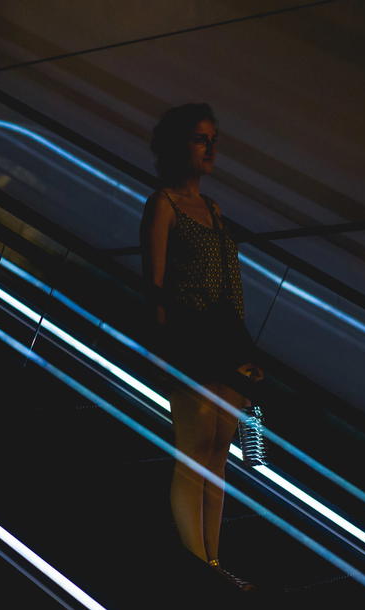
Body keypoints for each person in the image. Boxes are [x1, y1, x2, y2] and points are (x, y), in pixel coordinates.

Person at [139, 103, 264, 591]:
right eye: (199, 138)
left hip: (225, 341)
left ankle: (213, 564)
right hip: (188, 339)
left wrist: (248, 354)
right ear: (176, 146)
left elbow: (233, 289)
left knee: (217, 455)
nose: (210, 147)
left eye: (213, 138)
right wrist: (161, 344)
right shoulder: (163, 204)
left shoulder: (213, 211)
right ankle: (198, 566)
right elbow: (154, 282)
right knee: (195, 453)